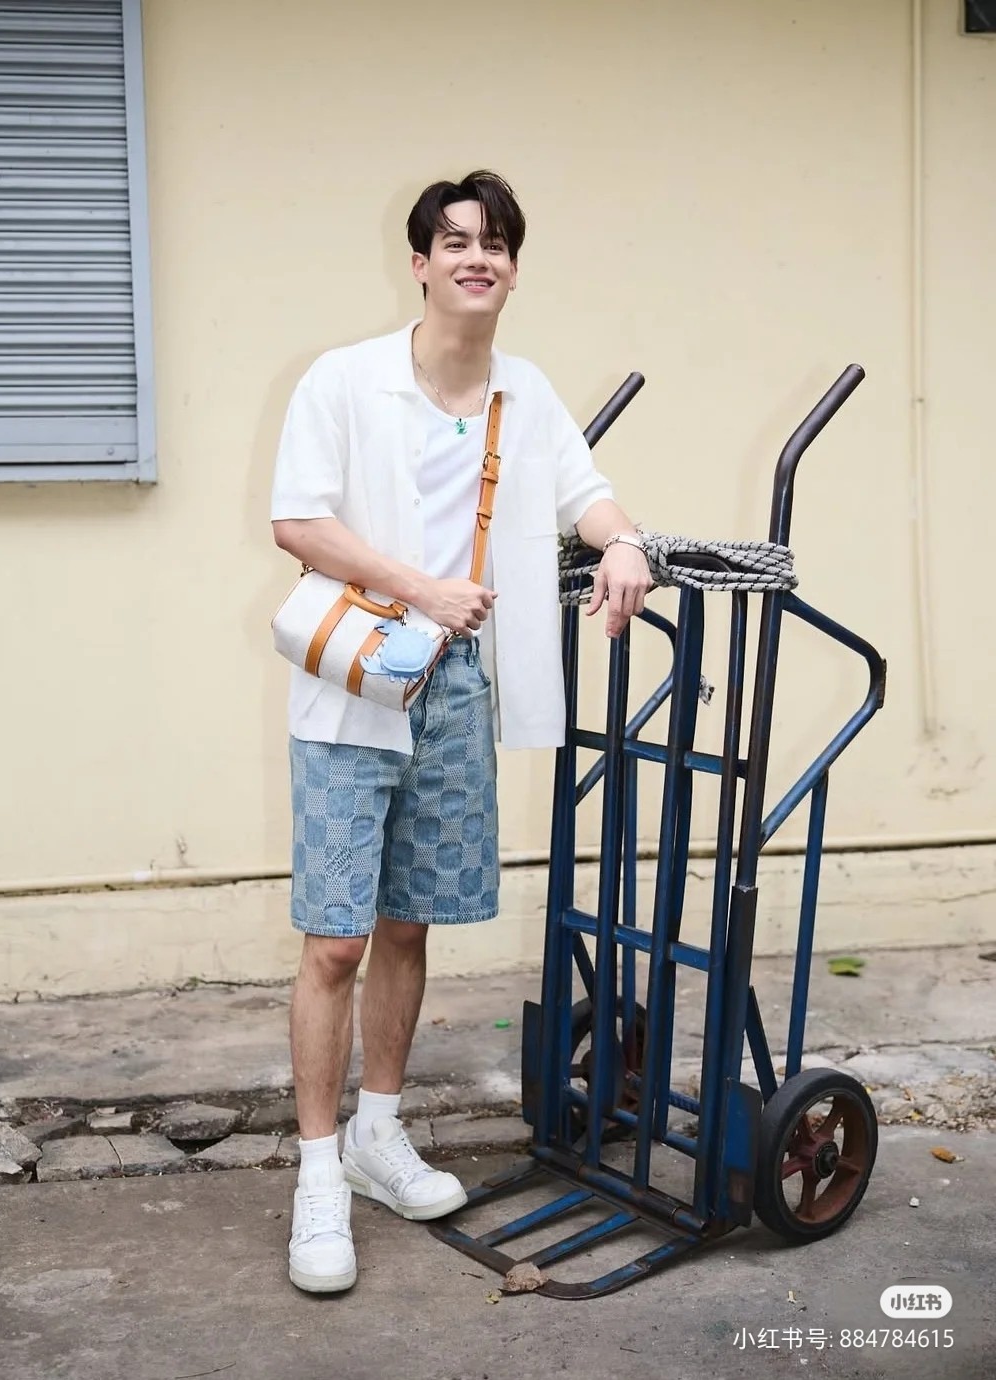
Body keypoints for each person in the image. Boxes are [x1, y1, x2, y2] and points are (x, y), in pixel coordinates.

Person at [270, 170, 652, 1294]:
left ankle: (380, 1135)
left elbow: (585, 492)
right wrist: (421, 588)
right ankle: (318, 1175)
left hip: (457, 692)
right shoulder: (345, 380)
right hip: (357, 686)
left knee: (407, 923)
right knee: (335, 940)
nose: (477, 258)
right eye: (456, 241)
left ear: (512, 270)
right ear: (421, 264)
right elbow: (296, 520)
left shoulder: (524, 393)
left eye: (495, 244)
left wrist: (623, 540)